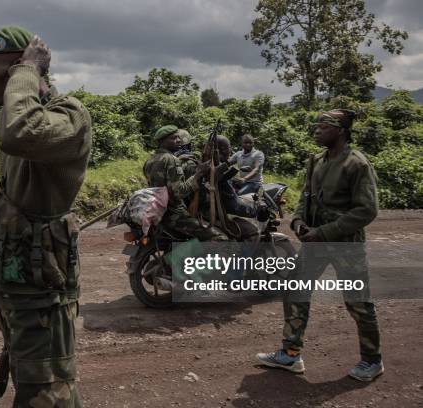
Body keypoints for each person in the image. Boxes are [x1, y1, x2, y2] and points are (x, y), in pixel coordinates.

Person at [0, 25, 91, 407]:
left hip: (42, 295)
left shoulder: (68, 117)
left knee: (47, 394)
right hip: (21, 289)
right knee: (39, 388)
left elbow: (20, 133)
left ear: (16, 70)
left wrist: (28, 71)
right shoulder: (16, 115)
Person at [256, 109, 383, 382]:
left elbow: (367, 210)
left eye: (324, 126)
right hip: (315, 242)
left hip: (345, 243)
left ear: (341, 130)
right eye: (317, 126)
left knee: (358, 302)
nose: (317, 130)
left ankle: (372, 361)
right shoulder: (317, 161)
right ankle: (290, 354)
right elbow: (306, 196)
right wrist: (299, 221)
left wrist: (324, 231)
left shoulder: (357, 164)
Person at [143, 125, 225, 241]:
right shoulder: (171, 160)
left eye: (178, 138)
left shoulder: (150, 160)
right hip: (174, 214)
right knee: (221, 238)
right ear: (162, 141)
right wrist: (198, 174)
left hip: (158, 211)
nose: (178, 141)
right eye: (173, 138)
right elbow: (179, 192)